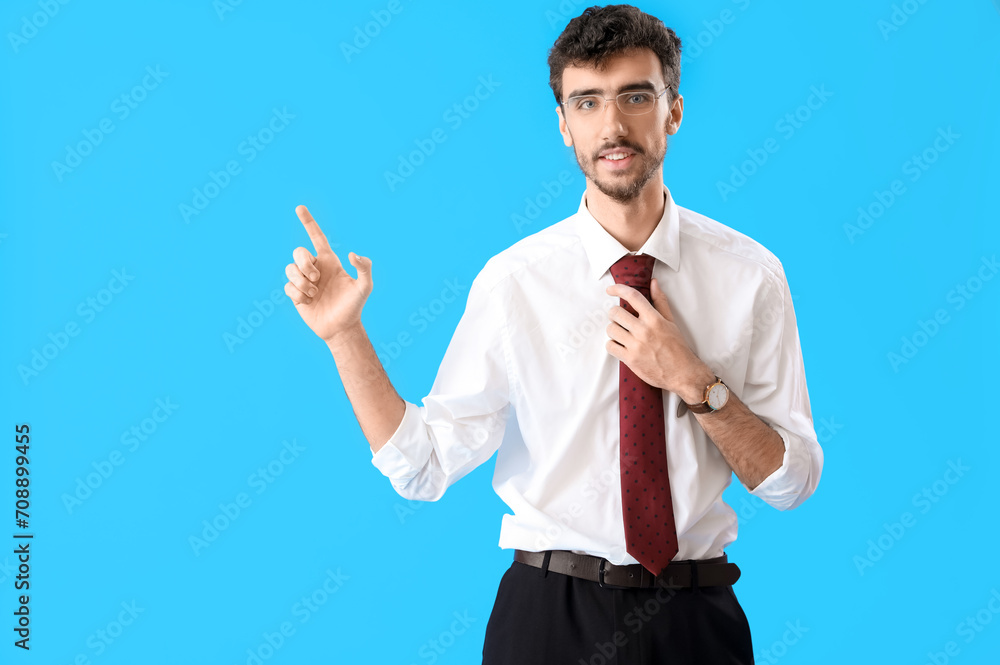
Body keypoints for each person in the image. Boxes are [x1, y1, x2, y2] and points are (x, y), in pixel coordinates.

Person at [282, 4, 823, 663]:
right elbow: (423, 467)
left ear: (674, 110)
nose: (614, 125)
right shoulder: (515, 282)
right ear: (564, 125)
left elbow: (790, 482)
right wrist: (345, 336)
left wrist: (692, 379)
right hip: (549, 618)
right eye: (588, 102)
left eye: (634, 96)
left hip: (696, 619)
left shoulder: (751, 276)